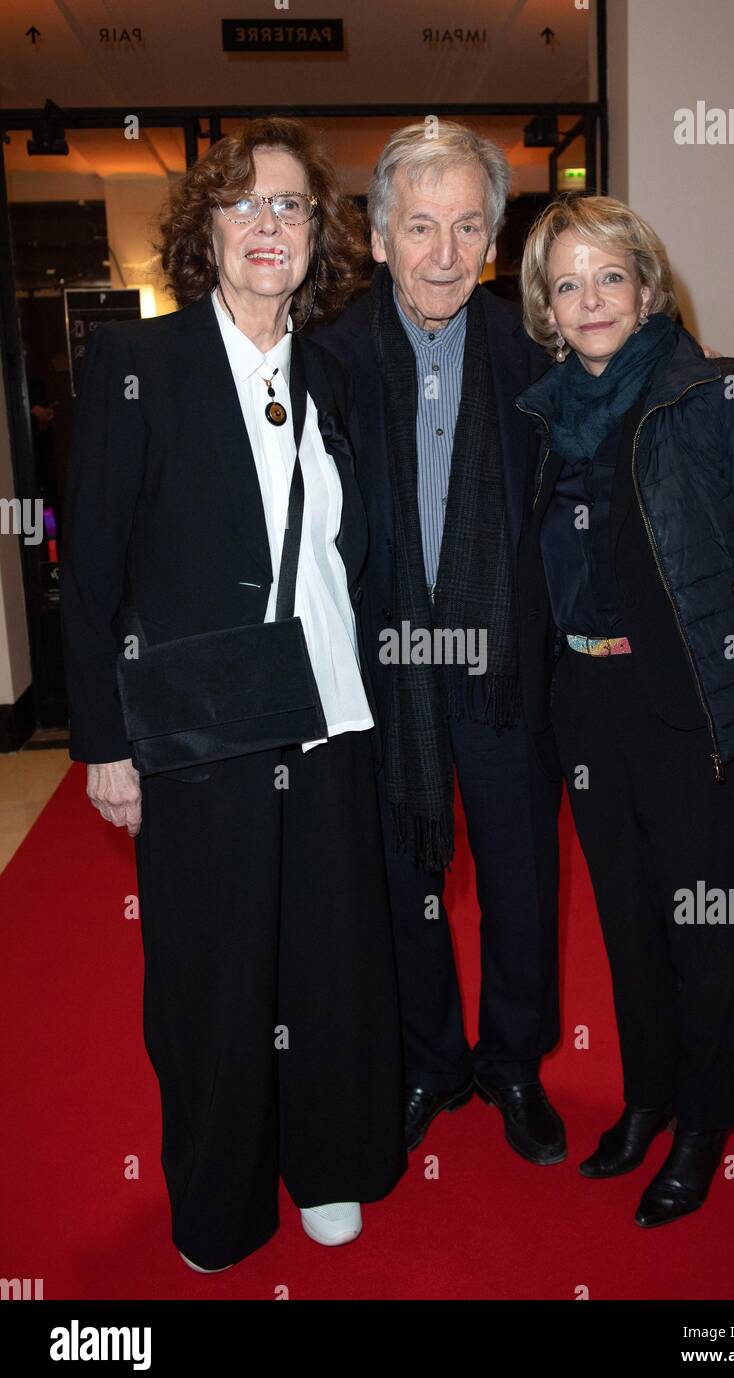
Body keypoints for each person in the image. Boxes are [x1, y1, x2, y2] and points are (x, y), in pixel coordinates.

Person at [60, 116, 407, 1270]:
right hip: (200, 728)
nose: (270, 224)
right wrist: (105, 740)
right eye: (246, 203)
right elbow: (93, 567)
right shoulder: (135, 366)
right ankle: (218, 1200)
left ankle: (330, 1165)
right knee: (211, 976)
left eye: (293, 207)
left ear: (318, 236)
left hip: (327, 717)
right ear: (205, 227)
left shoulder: (335, 372)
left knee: (330, 954)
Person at [516, 194, 734, 1227]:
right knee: (628, 918)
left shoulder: (718, 394)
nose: (589, 298)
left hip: (690, 701)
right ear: (546, 310)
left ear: (647, 287)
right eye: (566, 283)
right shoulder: (544, 415)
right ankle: (647, 1095)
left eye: (608, 275)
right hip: (585, 701)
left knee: (702, 927)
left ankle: (701, 1122)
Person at [313, 122, 568, 1164]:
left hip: (505, 668)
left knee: (519, 878)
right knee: (401, 877)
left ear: (495, 241)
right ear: (377, 238)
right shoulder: (325, 361)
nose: (444, 253)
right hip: (382, 676)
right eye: (419, 226)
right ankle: (429, 1058)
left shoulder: (534, 352)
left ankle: (512, 1062)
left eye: (468, 226)